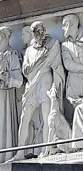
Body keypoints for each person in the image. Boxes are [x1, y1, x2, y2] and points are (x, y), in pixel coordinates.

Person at [15, 21, 65, 158]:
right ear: (33, 33)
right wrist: (35, 64)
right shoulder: (30, 50)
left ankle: (46, 148)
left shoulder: (52, 45)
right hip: (31, 85)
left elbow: (57, 67)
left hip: (45, 81)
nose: (39, 33)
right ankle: (20, 151)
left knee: (47, 115)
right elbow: (25, 70)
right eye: (36, 31)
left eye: (41, 30)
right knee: (25, 117)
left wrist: (55, 85)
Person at [0, 25, 23, 163]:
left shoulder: (11, 54)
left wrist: (7, 79)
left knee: (4, 123)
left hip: (6, 97)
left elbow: (19, 81)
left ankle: (5, 156)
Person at [61, 13, 83, 109]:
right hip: (74, 83)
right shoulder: (65, 45)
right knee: (76, 112)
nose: (62, 28)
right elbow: (68, 64)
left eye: (64, 25)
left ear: (70, 24)